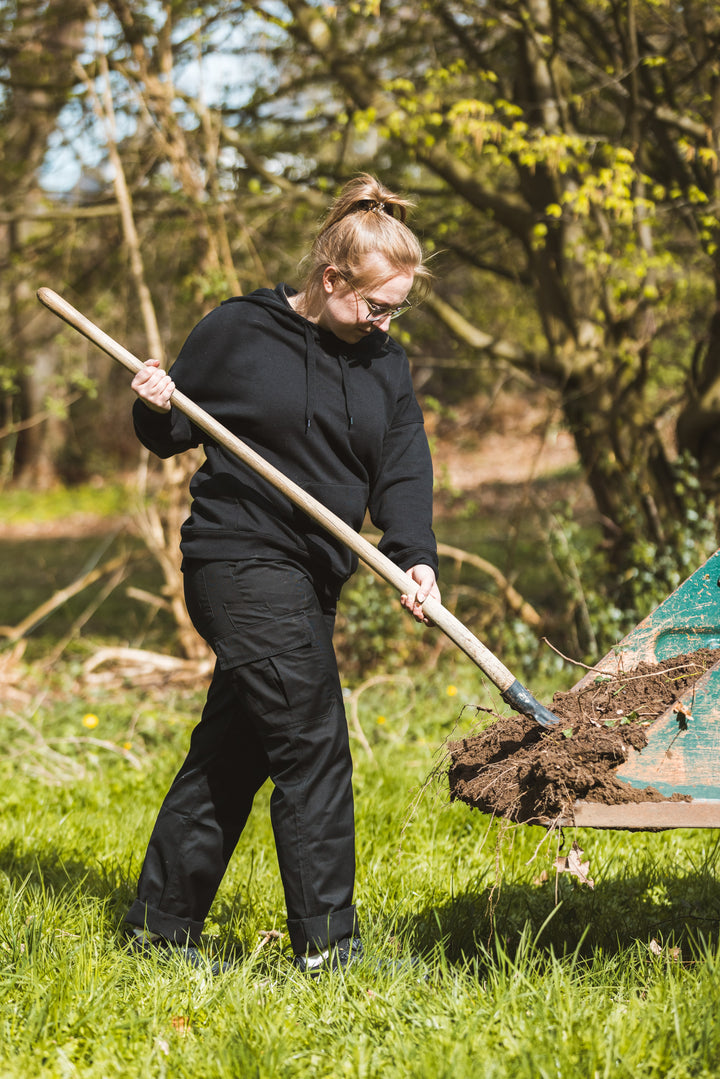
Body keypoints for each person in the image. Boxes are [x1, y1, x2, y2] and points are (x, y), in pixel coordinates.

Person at [124, 173, 441, 976]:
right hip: (236, 559)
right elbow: (168, 434)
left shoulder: (384, 364)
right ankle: (329, 953)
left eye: (396, 309)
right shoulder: (240, 330)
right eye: (377, 304)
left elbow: (403, 466)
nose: (385, 321)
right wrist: (157, 401)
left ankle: (158, 928)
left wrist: (416, 555)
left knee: (235, 750)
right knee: (311, 737)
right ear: (332, 280)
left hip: (313, 578)